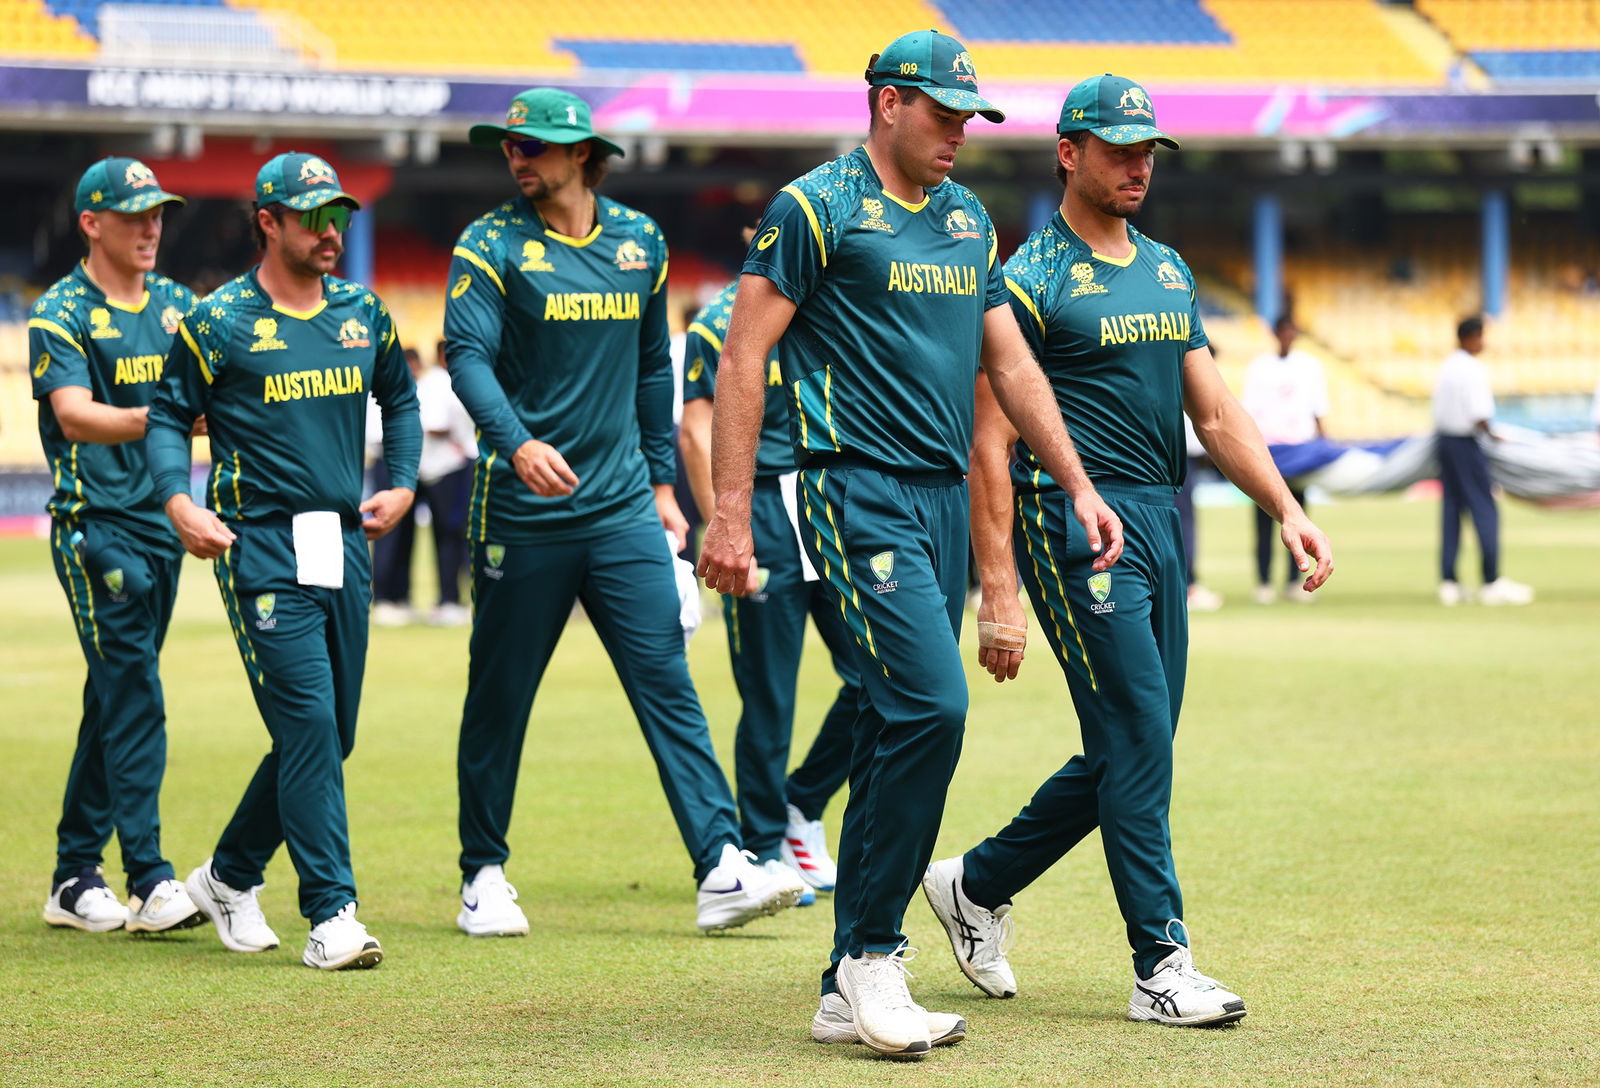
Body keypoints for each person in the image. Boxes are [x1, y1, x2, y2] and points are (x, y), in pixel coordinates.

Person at [697, 32, 1123, 1058]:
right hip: (855, 489)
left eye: (970, 120)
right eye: (942, 115)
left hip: (939, 498)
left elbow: (1008, 364)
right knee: (932, 704)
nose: (957, 137)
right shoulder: (815, 209)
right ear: (888, 103)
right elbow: (743, 357)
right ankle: (876, 953)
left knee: (899, 723)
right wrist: (727, 511)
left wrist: (1073, 481)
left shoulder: (968, 218)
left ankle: (847, 975)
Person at [919, 73, 1333, 1029]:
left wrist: (1283, 508)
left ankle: (975, 884)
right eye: (1119, 149)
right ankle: (1161, 965)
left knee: (1134, 742)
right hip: (1072, 527)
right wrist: (998, 585)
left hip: (1159, 517)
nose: (1139, 165)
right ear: (1068, 152)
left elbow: (1218, 412)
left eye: (1149, 150)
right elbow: (989, 438)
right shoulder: (1029, 277)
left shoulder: (1168, 268)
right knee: (1139, 734)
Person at [443, 88, 804, 939]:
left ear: (581, 154)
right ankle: (482, 874)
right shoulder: (488, 243)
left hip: (619, 514)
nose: (517, 156)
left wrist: (660, 487)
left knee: (668, 684)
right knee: (500, 697)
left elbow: (653, 368)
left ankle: (720, 863)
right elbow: (466, 355)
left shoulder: (640, 241)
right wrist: (516, 441)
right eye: (511, 145)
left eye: (533, 145)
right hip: (521, 515)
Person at [147, 152, 421, 969]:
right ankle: (331, 912)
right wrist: (179, 501)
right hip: (257, 542)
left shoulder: (363, 313)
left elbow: (400, 401)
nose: (331, 229)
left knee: (330, 736)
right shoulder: (218, 319)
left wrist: (401, 483)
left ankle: (230, 876)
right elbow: (168, 416)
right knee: (305, 722)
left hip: (342, 539)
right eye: (311, 216)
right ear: (267, 221)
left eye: (337, 214)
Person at [29, 157, 204, 935]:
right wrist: (162, 418)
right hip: (95, 527)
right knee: (134, 686)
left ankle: (73, 876)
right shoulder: (60, 310)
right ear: (91, 223)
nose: (152, 227)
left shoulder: (179, 306)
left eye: (158, 212)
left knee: (114, 691)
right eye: (134, 215)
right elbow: (73, 414)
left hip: (163, 523)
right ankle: (151, 879)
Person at [678, 241, 853, 903]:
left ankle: (800, 806)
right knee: (769, 693)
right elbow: (697, 431)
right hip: (765, 507)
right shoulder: (717, 321)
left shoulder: (834, 304)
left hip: (836, 503)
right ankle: (760, 847)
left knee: (880, 673)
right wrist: (724, 528)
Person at [371, 340, 476, 626]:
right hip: (397, 467)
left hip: (444, 468)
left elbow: (445, 424)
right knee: (393, 535)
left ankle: (449, 600)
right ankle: (389, 599)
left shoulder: (439, 383)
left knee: (449, 535)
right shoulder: (377, 383)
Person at [1433, 316, 1533, 606]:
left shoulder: (1448, 365)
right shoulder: (1472, 368)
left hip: (1445, 443)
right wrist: (1494, 436)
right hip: (1466, 444)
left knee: (1451, 512)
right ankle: (1491, 581)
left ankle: (1449, 582)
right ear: (1471, 337)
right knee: (1485, 510)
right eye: (1480, 336)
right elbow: (1479, 415)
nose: (1483, 342)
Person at [1240, 315, 1328, 604]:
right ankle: (1264, 580)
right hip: (1269, 452)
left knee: (1299, 517)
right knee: (1265, 517)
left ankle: (1294, 579)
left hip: (1299, 451)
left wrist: (1322, 444)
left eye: (1293, 331)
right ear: (1277, 333)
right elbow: (1248, 411)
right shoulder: (1259, 368)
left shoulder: (1310, 367)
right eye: (1284, 331)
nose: (1288, 336)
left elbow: (1318, 409)